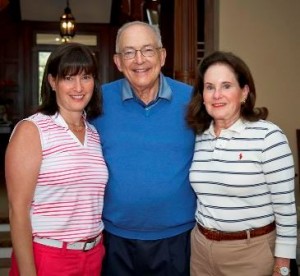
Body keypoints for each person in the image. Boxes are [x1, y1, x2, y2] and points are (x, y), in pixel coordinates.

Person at [91, 21, 196, 275]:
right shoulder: (96, 102)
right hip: (114, 238)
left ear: (162, 56)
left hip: (177, 237)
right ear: (118, 61)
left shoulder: (194, 101)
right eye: (129, 52)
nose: (139, 60)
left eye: (148, 50)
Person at [186, 50, 297, 276]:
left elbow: (286, 210)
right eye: (209, 87)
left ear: (244, 92)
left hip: (251, 255)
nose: (217, 95)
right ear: (202, 94)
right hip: (200, 251)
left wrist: (283, 265)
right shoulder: (198, 136)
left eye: (226, 86)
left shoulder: (269, 137)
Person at [5, 42, 108, 276]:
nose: (78, 87)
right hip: (48, 257)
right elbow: (18, 210)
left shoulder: (94, 133)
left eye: (86, 77)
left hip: (93, 255)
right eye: (68, 78)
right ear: (52, 81)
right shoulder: (32, 130)